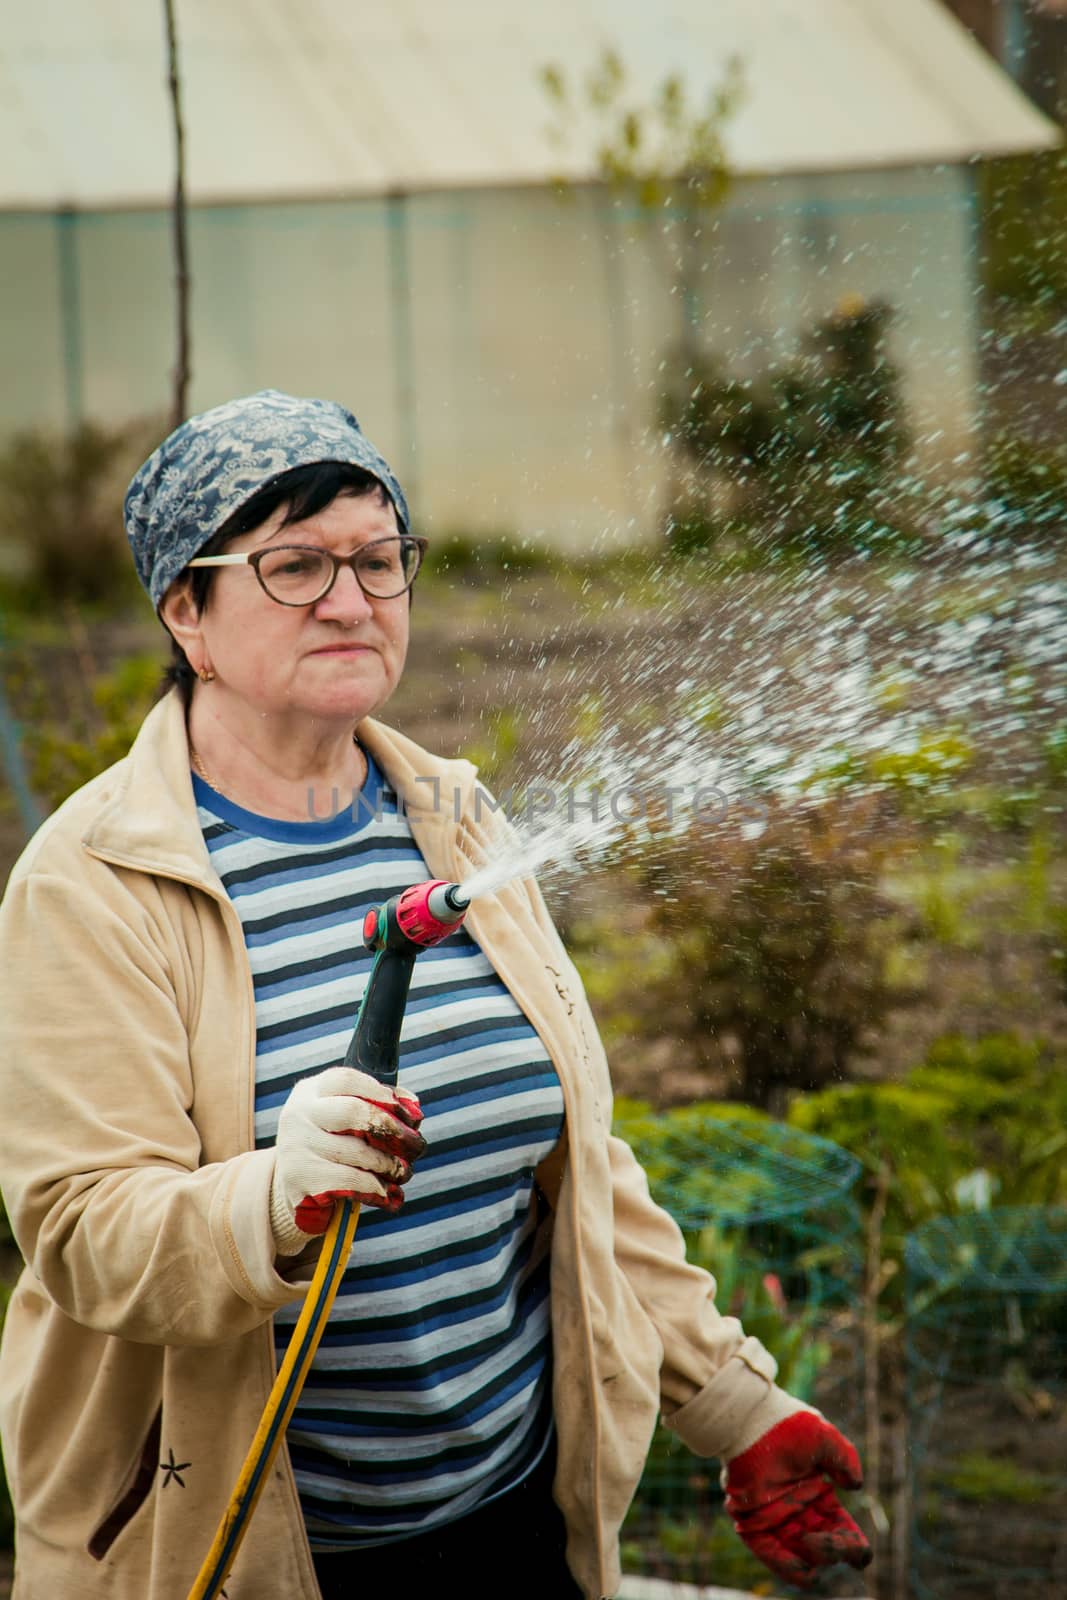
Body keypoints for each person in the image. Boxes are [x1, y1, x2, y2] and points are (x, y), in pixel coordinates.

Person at [0, 390, 871, 1600]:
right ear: (186, 611)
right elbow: (84, 1233)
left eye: (377, 557)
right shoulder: (94, 883)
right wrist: (273, 1196)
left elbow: (573, 1167)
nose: (351, 600)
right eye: (294, 564)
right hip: (248, 1552)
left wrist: (731, 1402)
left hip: (513, 1519)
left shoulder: (453, 820)